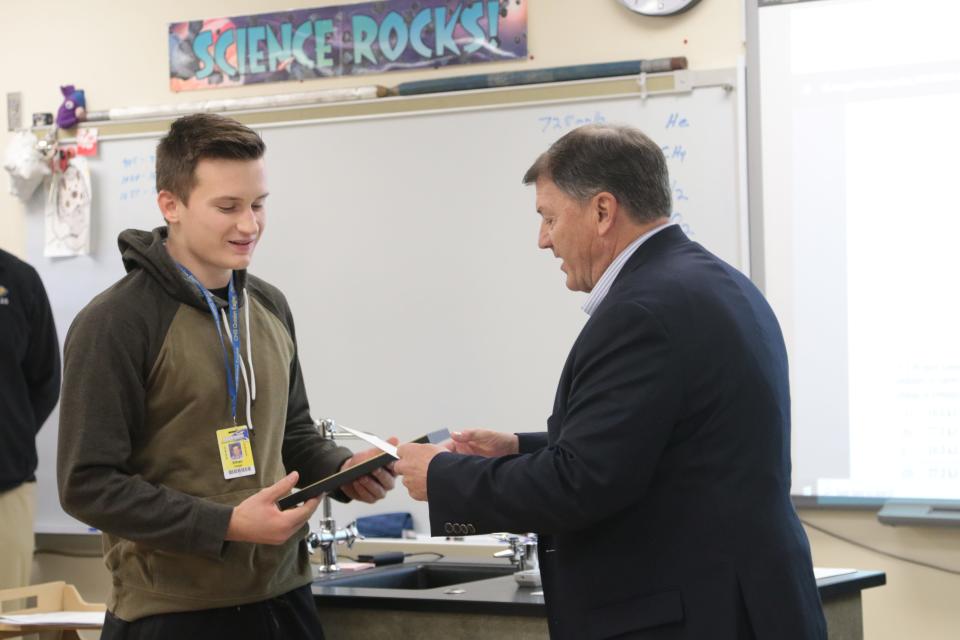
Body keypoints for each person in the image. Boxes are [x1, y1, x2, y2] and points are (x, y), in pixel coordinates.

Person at [395, 123, 827, 639]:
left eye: (550, 218)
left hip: (689, 614)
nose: (542, 240)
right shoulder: (716, 283)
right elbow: (659, 447)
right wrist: (515, 449)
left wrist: (443, 477)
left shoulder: (642, 312)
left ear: (602, 211)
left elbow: (581, 484)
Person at [58, 113, 396, 640]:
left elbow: (294, 434)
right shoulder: (115, 323)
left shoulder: (267, 304)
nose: (250, 225)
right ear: (170, 204)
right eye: (228, 207)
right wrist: (227, 524)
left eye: (258, 204)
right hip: (172, 612)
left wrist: (344, 468)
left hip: (283, 595)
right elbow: (88, 485)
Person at [0, 249, 60, 589]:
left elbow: (46, 380)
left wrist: (11, 435)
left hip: (7, 488)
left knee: (8, 621)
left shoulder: (19, 280)